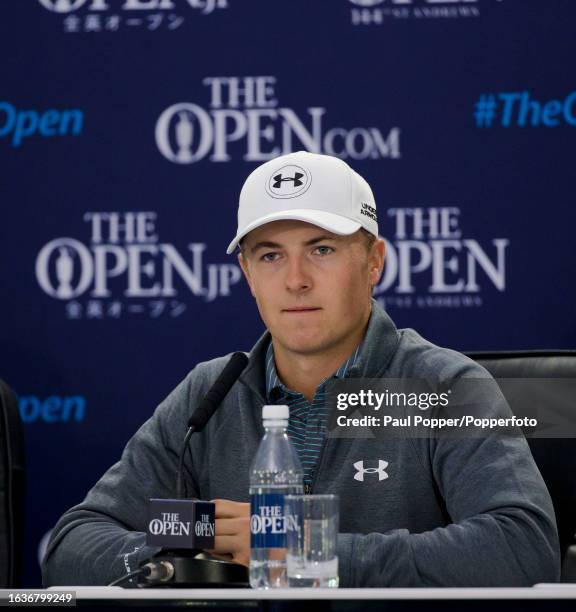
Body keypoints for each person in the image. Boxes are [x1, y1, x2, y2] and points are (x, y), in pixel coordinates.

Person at [42, 151, 560, 587]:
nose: (296, 280)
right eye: (270, 256)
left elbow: (522, 548)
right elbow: (73, 544)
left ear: (374, 261)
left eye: (322, 250)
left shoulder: (439, 388)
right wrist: (199, 536)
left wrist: (306, 549)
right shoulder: (213, 392)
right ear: (247, 273)